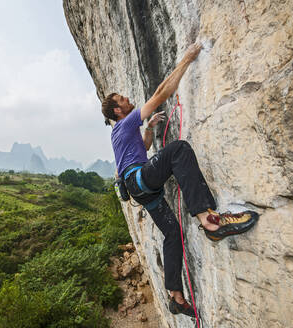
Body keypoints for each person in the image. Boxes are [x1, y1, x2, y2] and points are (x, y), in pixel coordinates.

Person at [101, 42, 259, 317]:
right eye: (122, 99)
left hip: (139, 188)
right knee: (179, 149)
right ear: (118, 111)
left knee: (173, 233)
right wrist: (186, 60)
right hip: (139, 180)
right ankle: (208, 219)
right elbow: (162, 93)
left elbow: (142, 149)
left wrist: (148, 131)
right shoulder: (126, 122)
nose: (127, 98)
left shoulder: (119, 133)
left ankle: (176, 296)